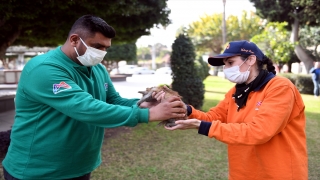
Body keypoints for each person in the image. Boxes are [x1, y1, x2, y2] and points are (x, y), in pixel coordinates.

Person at [2, 15, 186, 180]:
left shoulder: (97, 69)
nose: (102, 53)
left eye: (106, 48)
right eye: (97, 46)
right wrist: (148, 115)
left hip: (80, 166)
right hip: (37, 171)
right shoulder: (44, 69)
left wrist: (145, 104)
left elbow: (113, 101)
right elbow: (86, 107)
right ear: (74, 40)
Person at [165, 40, 308, 179]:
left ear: (251, 60)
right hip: (242, 173)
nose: (226, 68)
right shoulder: (235, 92)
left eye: (230, 63)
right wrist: (187, 110)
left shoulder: (280, 88)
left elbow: (259, 131)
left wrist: (205, 127)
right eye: (225, 64)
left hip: (279, 174)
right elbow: (214, 117)